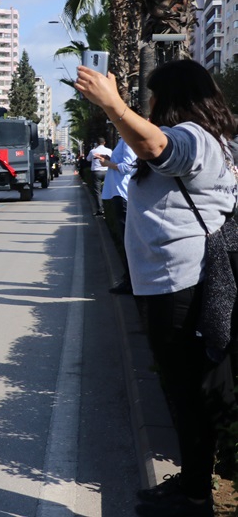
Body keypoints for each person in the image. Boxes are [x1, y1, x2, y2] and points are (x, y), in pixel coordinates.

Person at [76, 59, 237, 517]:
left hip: (180, 286)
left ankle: (194, 496)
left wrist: (114, 106)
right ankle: (192, 486)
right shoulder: (217, 141)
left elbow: (156, 145)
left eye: (152, 96)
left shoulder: (194, 138)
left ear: (172, 98)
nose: (148, 104)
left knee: (190, 393)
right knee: (189, 392)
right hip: (176, 284)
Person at [100, 137, 137, 295]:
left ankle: (130, 281)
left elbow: (127, 166)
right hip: (120, 192)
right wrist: (110, 160)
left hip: (123, 193)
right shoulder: (124, 139)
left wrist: (107, 164)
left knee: (127, 240)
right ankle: (129, 278)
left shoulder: (128, 140)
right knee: (126, 239)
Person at [87, 138, 111, 216]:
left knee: (97, 191)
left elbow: (88, 159)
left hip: (96, 172)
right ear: (104, 142)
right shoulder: (109, 151)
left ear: (97, 143)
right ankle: (110, 209)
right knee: (109, 189)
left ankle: (100, 209)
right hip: (107, 171)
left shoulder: (93, 151)